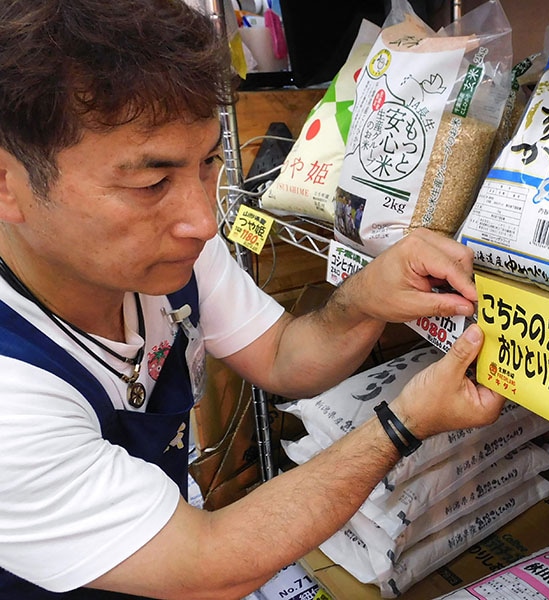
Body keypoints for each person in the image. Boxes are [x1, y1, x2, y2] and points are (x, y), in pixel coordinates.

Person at [0, 0, 506, 598]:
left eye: (210, 161)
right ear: (9, 185)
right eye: (150, 183)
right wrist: (403, 424)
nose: (201, 219)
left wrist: (367, 298)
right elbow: (207, 565)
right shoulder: (14, 394)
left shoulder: (165, 251)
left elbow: (283, 358)